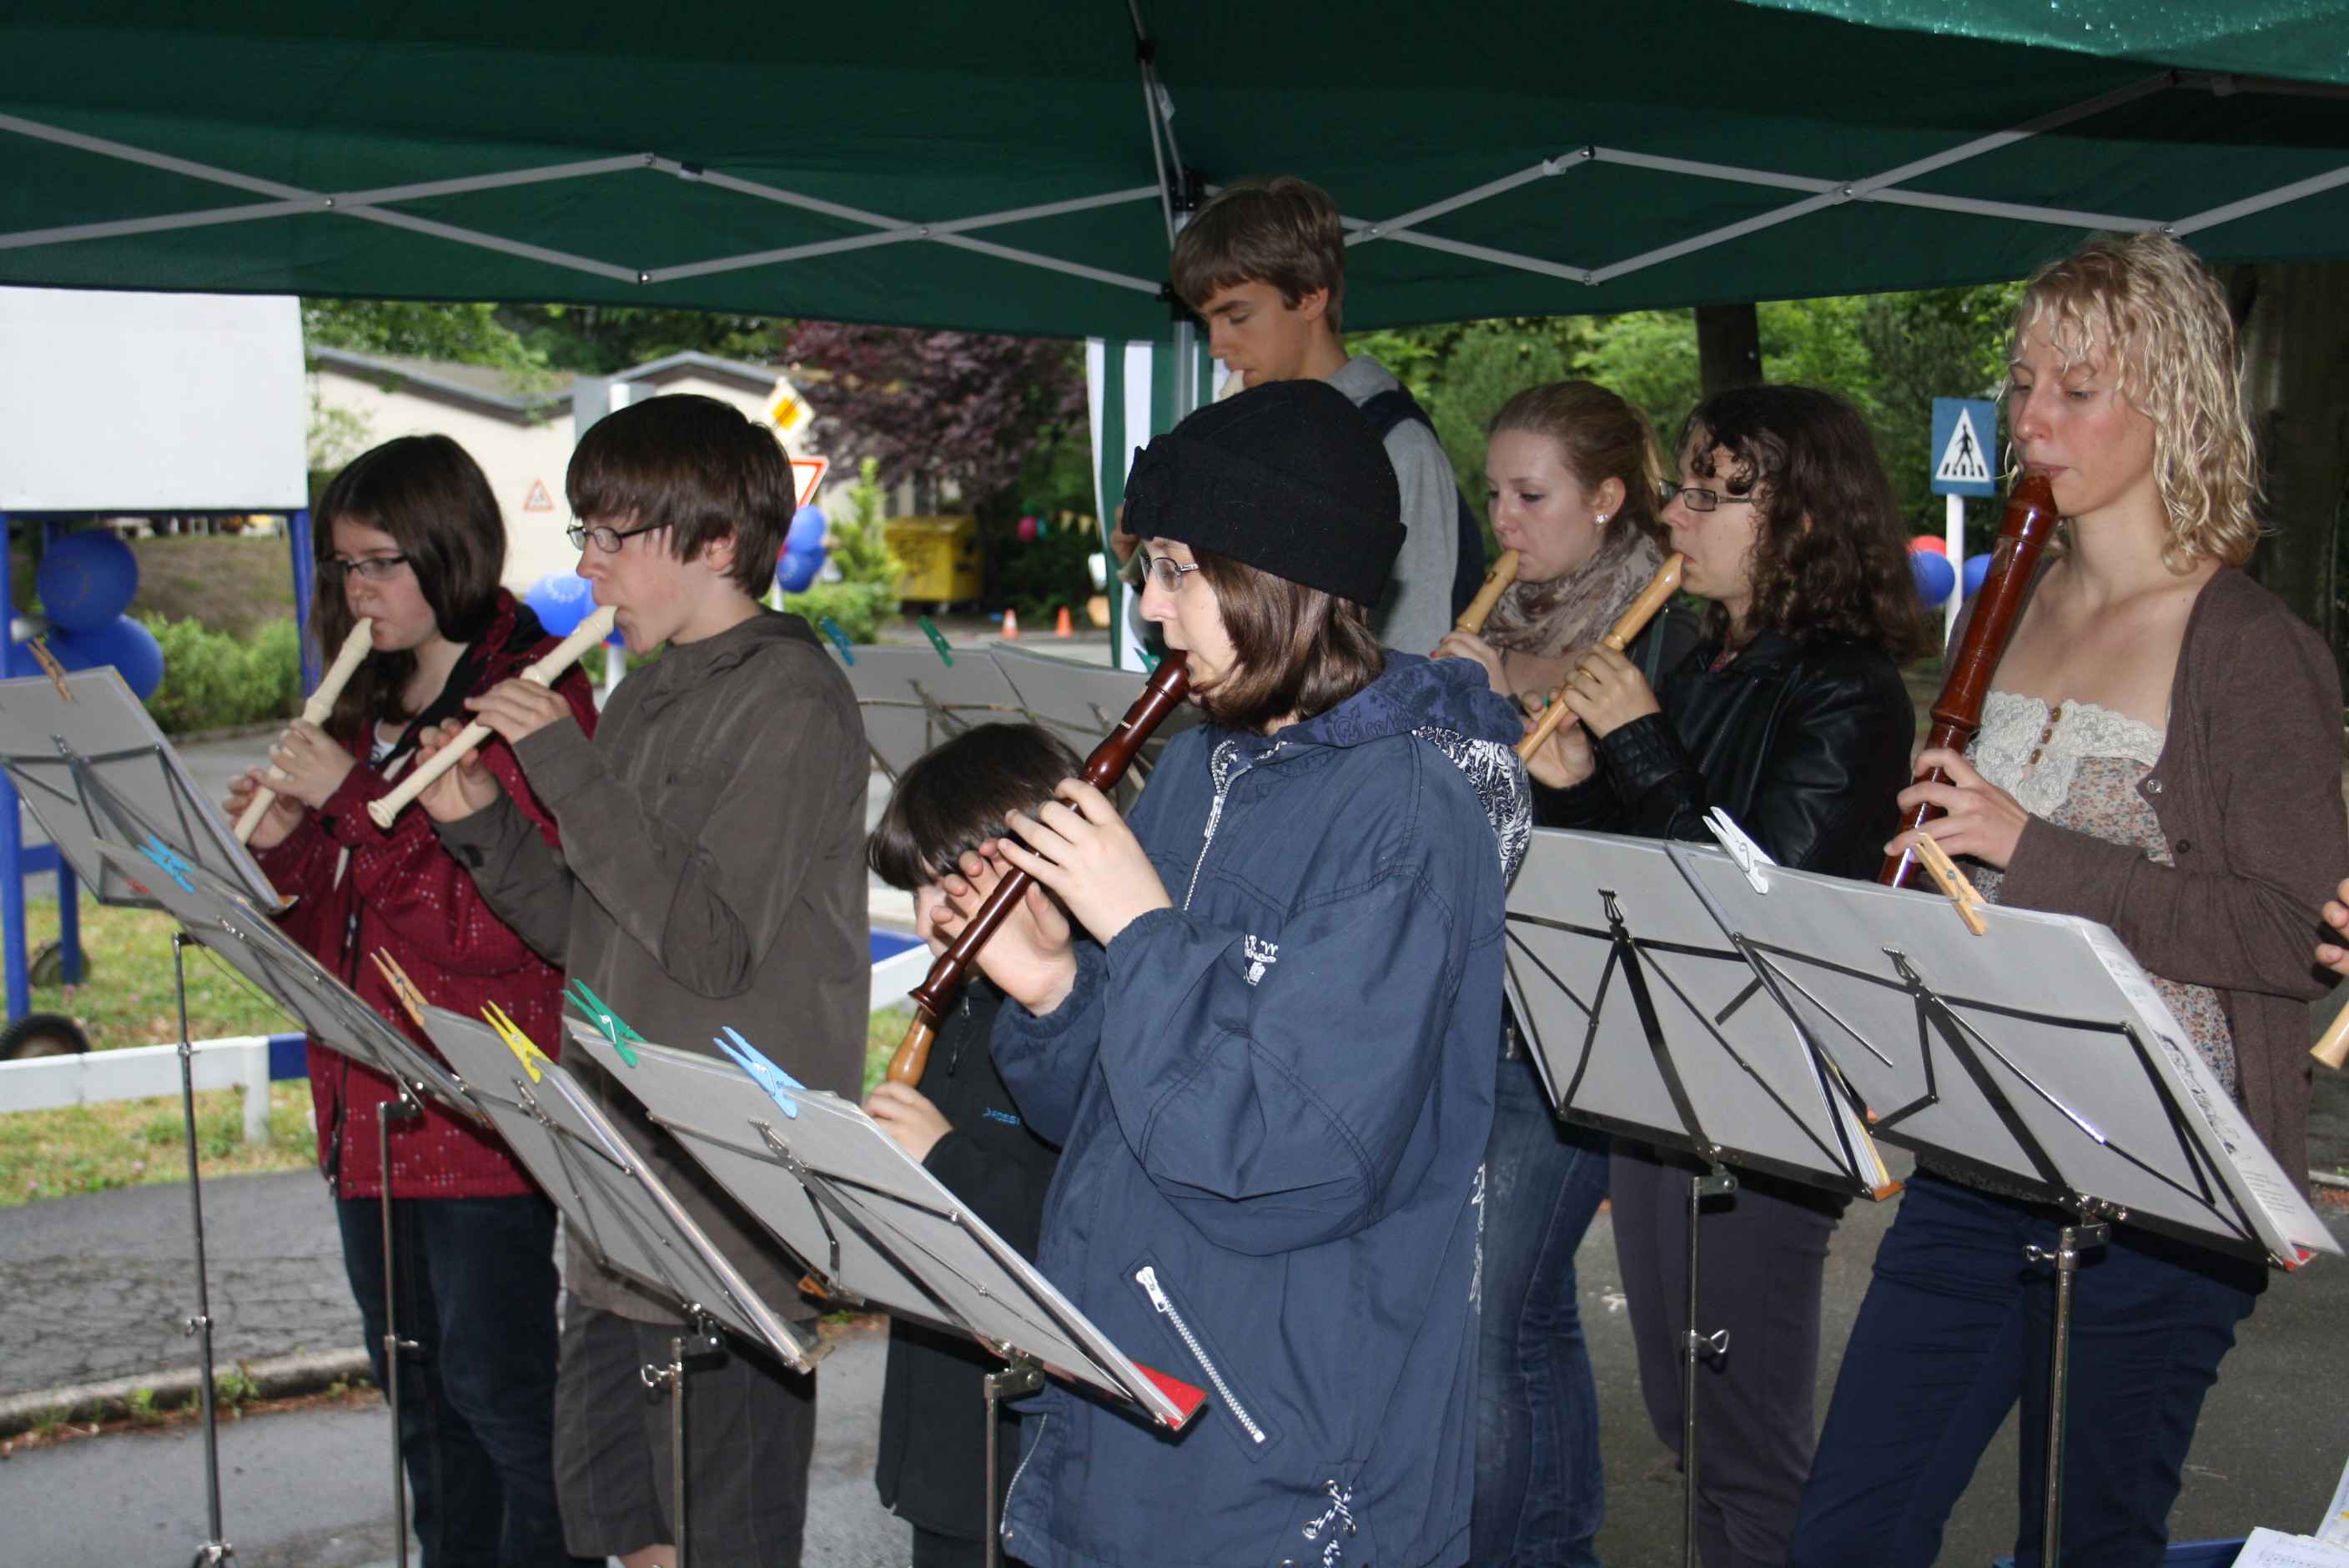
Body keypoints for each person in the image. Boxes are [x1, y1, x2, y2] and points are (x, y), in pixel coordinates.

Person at [1791, 233, 2349, 1568]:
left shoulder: (2254, 652)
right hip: (1984, 1148)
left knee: (2084, 1547)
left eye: (2078, 388)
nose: (2031, 419)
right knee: (1847, 1535)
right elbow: (1972, 874)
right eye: (2025, 380)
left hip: (2164, 1183)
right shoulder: (2018, 598)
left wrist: (2032, 845)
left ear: (2178, 406)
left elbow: (2285, 937)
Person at [936, 379, 1527, 1567]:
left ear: (1281, 574)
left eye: (1173, 570)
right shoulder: (1205, 766)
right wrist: (1051, 985)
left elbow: (1280, 1162)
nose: (1152, 612)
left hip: (1287, 1448)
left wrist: (1143, 934)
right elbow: (1112, 1118)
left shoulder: (1404, 814)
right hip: (1137, 1397)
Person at [418, 393, 868, 1568]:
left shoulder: (791, 697)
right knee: (626, 1526)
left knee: (720, 1530)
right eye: (585, 537)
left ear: (717, 542)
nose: (591, 566)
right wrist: (481, 825)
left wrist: (558, 762)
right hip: (619, 1173)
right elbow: (593, 930)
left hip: (724, 1191)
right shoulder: (645, 690)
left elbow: (710, 947)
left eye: (616, 536)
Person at [1527, 384, 1929, 1568]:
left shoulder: (1847, 690)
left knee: (1747, 1433)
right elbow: (1650, 862)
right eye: (1683, 485)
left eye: (1712, 493)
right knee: (1684, 1414)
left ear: (1800, 517)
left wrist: (1642, 738)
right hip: (1662, 1074)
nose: (1677, 515)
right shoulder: (1707, 658)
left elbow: (1763, 900)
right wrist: (1576, 781)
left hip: (1761, 1098)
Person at [227, 433, 599, 1568]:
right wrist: (286, 850)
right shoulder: (365, 700)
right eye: (341, 567)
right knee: (423, 1412)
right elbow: (338, 923)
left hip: (476, 1119)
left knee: (508, 1413)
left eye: (379, 563)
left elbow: (503, 937)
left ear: (448, 550)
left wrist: (350, 807)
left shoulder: (535, 697)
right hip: (365, 1118)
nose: (357, 593)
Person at [1432, 379, 1698, 1567]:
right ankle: (1549, 1539)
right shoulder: (1499, 615)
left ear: (1606, 499)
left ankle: (1527, 1545)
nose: (1505, 521)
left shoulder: (1669, 625)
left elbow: (1662, 837)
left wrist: (1514, 709)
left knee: (1499, 1305)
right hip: (1479, 996)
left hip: (1586, 1015)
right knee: (1515, 1306)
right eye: (1493, 492)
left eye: (1531, 495)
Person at [862, 722, 1073, 1568]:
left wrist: (940, 1153)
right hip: (941, 1432)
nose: (930, 913)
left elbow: (1069, 1220)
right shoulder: (949, 1010)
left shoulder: (1070, 1028)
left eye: (955, 882)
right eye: (919, 888)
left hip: (1023, 1444)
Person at [1169, 174, 1485, 651]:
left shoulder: (1397, 445)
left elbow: (1416, 650)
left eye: (1237, 317)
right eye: (1205, 321)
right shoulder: (1244, 437)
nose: (1217, 345)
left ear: (1311, 296)